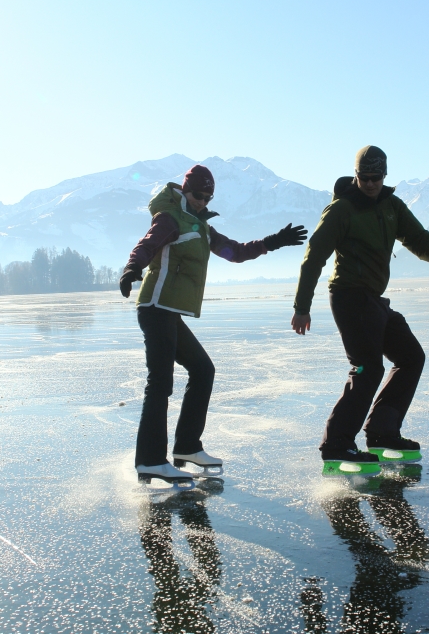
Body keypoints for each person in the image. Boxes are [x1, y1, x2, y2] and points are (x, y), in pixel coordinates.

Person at [120, 164, 307, 487]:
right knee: (160, 384)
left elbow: (235, 252)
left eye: (208, 197)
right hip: (155, 308)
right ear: (184, 190)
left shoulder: (200, 226)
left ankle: (187, 448)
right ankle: (150, 461)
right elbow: (147, 244)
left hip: (170, 312)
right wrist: (132, 268)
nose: (202, 202)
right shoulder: (170, 218)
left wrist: (274, 241)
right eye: (197, 195)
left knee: (203, 370)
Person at [290, 145, 429, 469]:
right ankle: (337, 444)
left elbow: (417, 237)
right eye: (365, 177)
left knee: (411, 357)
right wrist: (302, 306)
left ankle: (383, 432)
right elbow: (314, 256)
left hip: (374, 300)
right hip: (349, 297)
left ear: (385, 176)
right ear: (356, 175)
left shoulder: (391, 206)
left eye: (377, 177)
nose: (371, 184)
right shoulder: (342, 210)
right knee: (367, 368)